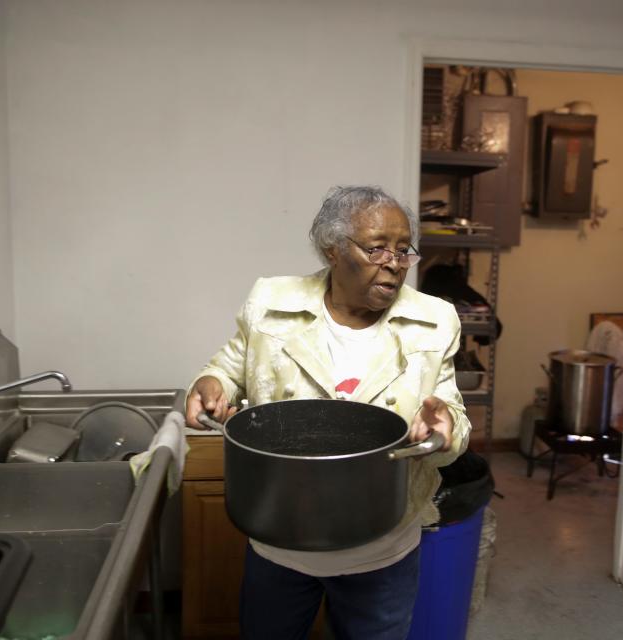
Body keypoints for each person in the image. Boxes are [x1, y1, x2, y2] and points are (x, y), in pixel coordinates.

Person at [185, 185, 471, 640]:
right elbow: (228, 366)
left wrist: (447, 427)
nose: (394, 263)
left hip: (384, 546)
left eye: (403, 250)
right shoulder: (271, 304)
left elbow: (451, 413)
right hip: (279, 540)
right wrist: (210, 384)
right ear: (333, 249)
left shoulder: (435, 321)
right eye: (377, 248)